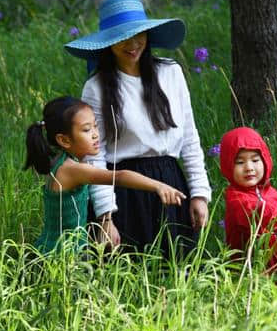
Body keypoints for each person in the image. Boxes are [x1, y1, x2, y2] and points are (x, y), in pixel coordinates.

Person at [64, 0, 211, 259]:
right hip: (125, 192)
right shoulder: (96, 88)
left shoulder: (171, 73)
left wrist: (199, 193)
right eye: (122, 38)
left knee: (178, 274)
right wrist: (106, 217)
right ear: (108, 43)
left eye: (138, 35)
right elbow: (94, 156)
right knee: (131, 278)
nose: (132, 44)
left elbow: (189, 137)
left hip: (172, 185)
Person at [24, 96, 187, 254]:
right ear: (64, 140)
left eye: (95, 126)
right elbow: (120, 176)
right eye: (87, 130)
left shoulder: (62, 161)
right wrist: (158, 185)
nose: (95, 134)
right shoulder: (72, 169)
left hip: (60, 250)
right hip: (60, 255)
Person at [219, 127, 277, 273]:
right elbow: (257, 215)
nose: (249, 168)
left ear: (265, 160)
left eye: (255, 160)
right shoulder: (235, 198)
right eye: (240, 162)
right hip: (251, 267)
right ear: (228, 166)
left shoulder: (270, 192)